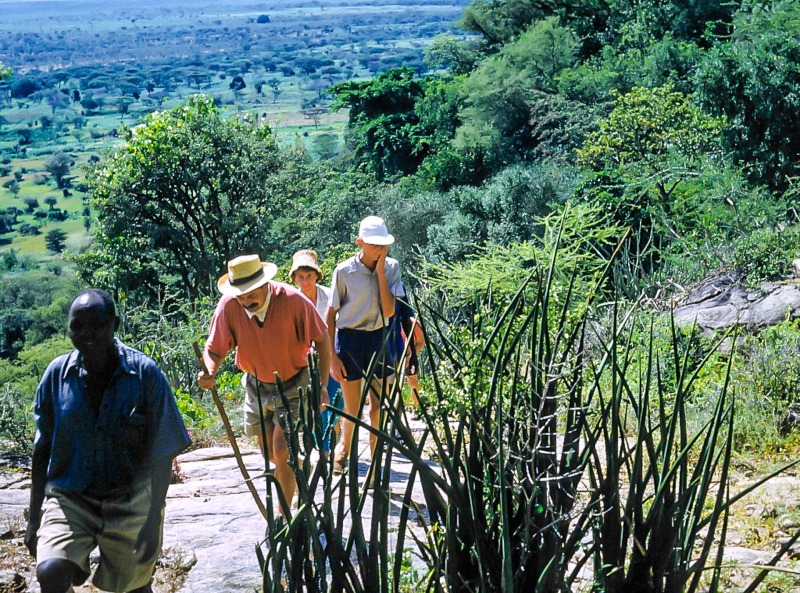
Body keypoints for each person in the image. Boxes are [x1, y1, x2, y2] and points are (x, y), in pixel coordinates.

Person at [25, 289, 191, 593]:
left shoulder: (145, 375)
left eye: (97, 325)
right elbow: (42, 449)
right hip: (70, 498)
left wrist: (154, 519)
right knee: (51, 573)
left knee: (134, 588)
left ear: (115, 323)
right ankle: (72, 559)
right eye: (77, 326)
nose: (86, 334)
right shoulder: (55, 376)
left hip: (130, 499)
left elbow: (162, 454)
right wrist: (34, 519)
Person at [198, 254, 330, 515]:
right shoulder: (229, 306)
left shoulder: (293, 300)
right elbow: (213, 350)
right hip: (256, 385)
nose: (245, 301)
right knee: (270, 455)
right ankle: (299, 467)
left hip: (294, 383)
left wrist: (322, 386)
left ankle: (284, 517)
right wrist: (209, 371)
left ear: (264, 284)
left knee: (282, 450)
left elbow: (322, 340)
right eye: (240, 296)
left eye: (250, 295)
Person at [327, 216, 404, 474]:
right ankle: (344, 449)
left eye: (383, 244)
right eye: (373, 244)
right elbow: (330, 315)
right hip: (350, 339)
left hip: (379, 338)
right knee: (353, 407)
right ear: (360, 243)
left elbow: (390, 310)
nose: (380, 249)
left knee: (378, 405)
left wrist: (380, 273)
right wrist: (331, 357)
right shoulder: (344, 271)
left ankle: (376, 457)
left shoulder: (392, 267)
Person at [289, 249, 341, 452]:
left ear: (316, 276)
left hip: (331, 355)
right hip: (303, 361)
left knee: (334, 400)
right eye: (300, 276)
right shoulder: (291, 300)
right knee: (313, 405)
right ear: (294, 278)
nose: (305, 280)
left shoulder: (329, 296)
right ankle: (323, 448)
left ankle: (334, 436)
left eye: (309, 276)